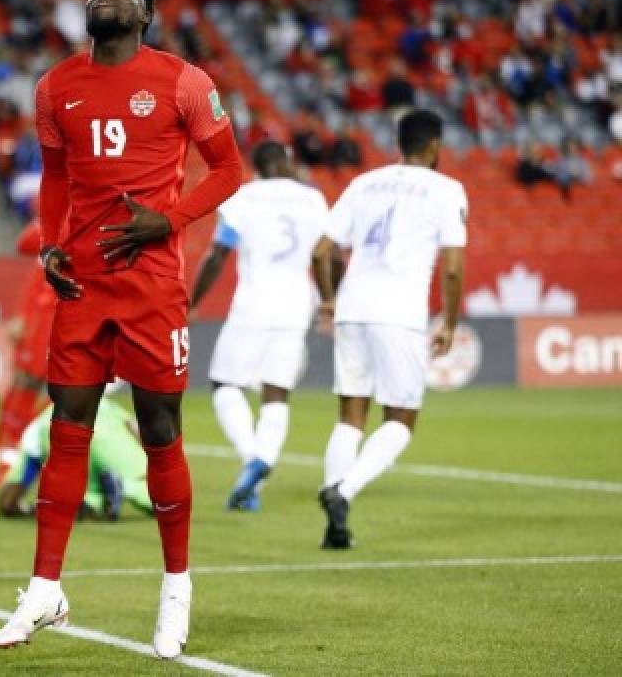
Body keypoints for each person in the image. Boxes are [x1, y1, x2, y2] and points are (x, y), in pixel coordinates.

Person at [0, 0, 243, 659]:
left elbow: (228, 171)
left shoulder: (185, 81)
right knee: (68, 422)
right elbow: (57, 178)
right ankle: (44, 587)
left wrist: (169, 219)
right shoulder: (54, 88)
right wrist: (48, 246)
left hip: (154, 284)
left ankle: (176, 587)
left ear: (144, 13)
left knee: (161, 429)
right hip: (83, 286)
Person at [311, 109, 467, 549]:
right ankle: (342, 491)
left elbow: (322, 251)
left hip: (353, 308)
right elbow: (453, 268)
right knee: (401, 418)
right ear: (434, 145)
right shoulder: (447, 189)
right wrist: (450, 322)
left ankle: (334, 528)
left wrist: (328, 298)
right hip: (398, 313)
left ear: (400, 143)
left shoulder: (364, 184)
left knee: (351, 416)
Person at [189, 141, 328, 511]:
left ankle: (253, 457)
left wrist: (192, 303)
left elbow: (219, 253)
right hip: (298, 305)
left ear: (257, 167)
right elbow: (326, 254)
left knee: (224, 384)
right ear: (287, 160)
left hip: (253, 303)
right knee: (276, 392)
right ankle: (260, 468)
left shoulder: (243, 198)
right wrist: (331, 300)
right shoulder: (312, 200)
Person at [0, 392, 152, 521]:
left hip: (60, 437)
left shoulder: (40, 424)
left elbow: (8, 499)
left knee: (84, 491)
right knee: (159, 498)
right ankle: (125, 487)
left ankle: (84, 503)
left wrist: (18, 507)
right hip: (111, 445)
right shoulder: (104, 403)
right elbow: (137, 429)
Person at [0, 221, 57, 486]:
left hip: (65, 315)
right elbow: (25, 244)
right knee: (24, 382)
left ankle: (24, 454)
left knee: (63, 393)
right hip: (41, 318)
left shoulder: (96, 219)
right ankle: (6, 459)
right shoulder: (59, 220)